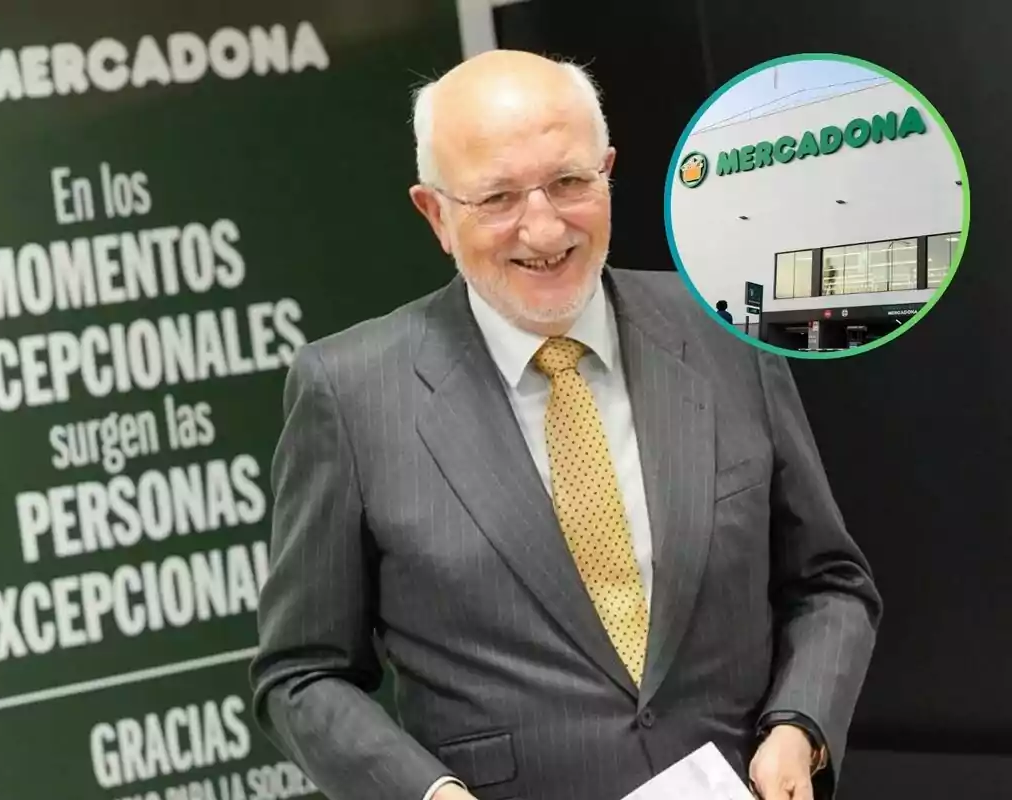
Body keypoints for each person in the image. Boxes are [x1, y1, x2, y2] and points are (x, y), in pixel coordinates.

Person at [250, 50, 881, 800]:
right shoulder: (351, 394)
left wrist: (798, 727)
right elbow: (300, 675)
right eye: (498, 198)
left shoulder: (723, 333)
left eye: (570, 182)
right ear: (435, 213)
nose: (544, 227)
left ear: (609, 171)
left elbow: (829, 583)